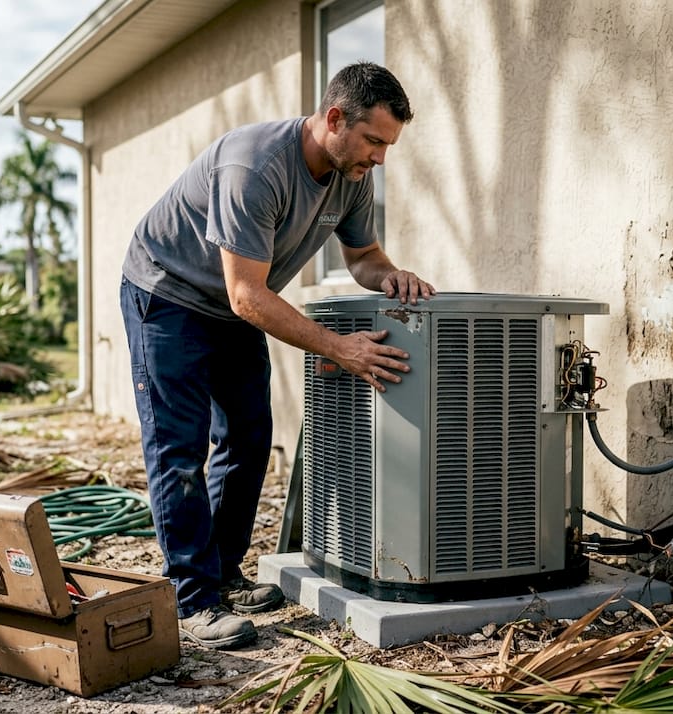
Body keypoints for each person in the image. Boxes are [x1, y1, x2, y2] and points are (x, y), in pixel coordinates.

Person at [119, 62, 436, 650]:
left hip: (233, 304)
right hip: (167, 294)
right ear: (335, 118)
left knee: (248, 437)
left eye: (388, 145)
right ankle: (192, 600)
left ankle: (224, 574)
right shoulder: (255, 166)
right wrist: (340, 347)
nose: (381, 158)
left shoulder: (353, 176)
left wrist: (393, 277)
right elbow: (247, 294)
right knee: (179, 447)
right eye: (374, 141)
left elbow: (363, 256)